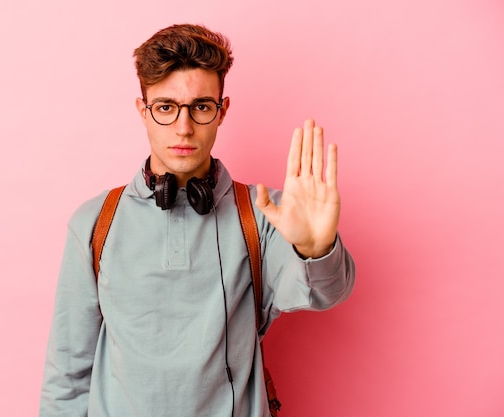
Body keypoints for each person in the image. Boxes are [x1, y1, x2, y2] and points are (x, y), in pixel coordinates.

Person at [39, 23, 355, 417]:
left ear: (222, 111)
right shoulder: (94, 223)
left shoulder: (266, 213)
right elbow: (68, 373)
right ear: (143, 111)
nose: (184, 127)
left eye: (201, 107)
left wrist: (314, 247)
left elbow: (325, 293)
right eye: (166, 107)